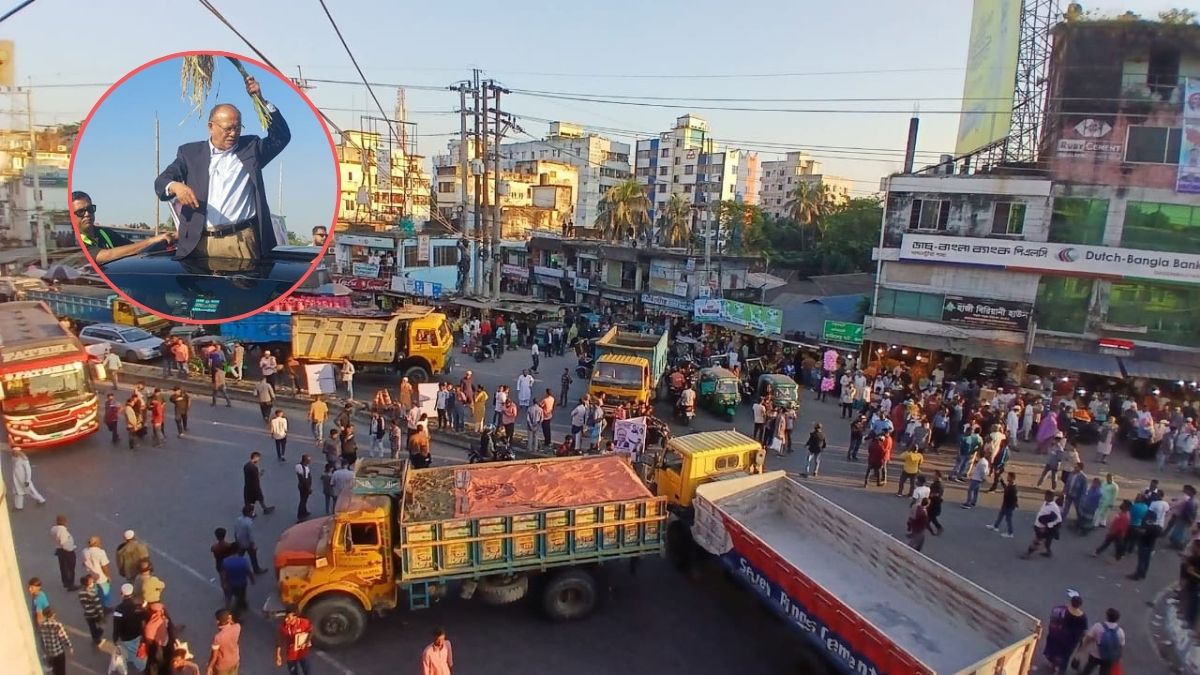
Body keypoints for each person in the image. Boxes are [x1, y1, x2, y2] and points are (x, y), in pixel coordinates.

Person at [154, 76, 290, 261]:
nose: (233, 134)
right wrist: (175, 186)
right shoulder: (190, 153)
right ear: (211, 127)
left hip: (240, 242)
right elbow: (161, 182)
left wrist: (260, 99)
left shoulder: (251, 149)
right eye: (228, 128)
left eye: (238, 128)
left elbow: (281, 137)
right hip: (199, 243)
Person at [74, 190, 173, 264]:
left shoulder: (104, 233)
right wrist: (151, 240)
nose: (87, 214)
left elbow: (134, 248)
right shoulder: (74, 242)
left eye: (90, 209)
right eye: (81, 212)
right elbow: (106, 255)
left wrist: (171, 237)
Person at [1042, 591, 1089, 675]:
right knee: (1066, 656)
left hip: (1061, 635)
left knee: (1057, 651)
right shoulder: (1082, 617)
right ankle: (1061, 670)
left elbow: (1056, 618)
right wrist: (1082, 642)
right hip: (1073, 640)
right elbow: (1084, 630)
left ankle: (1054, 665)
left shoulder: (1065, 611)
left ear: (1071, 602)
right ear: (1080, 605)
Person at [112, 583, 148, 672]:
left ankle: (141, 667)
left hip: (126, 636)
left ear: (121, 594)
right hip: (138, 633)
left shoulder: (118, 609)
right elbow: (145, 617)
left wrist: (115, 638)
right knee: (136, 649)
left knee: (132, 651)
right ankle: (136, 662)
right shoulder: (139, 607)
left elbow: (116, 625)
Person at [1077, 608, 1124, 675]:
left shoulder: (1098, 626)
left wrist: (1082, 648)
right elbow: (1120, 646)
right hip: (1108, 657)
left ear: (1107, 616)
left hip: (1095, 654)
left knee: (1088, 668)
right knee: (1104, 672)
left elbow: (1088, 638)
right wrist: (1118, 658)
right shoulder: (1120, 631)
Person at [1022, 491, 1063, 559]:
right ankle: (1048, 552)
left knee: (1038, 540)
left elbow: (1058, 519)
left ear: (1050, 497)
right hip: (1040, 525)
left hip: (1048, 527)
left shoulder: (1054, 507)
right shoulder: (1045, 503)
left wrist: (1048, 526)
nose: (1045, 497)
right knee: (1047, 541)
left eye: (1046, 496)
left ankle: (1028, 553)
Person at [276, 607, 314, 674]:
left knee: (307, 672)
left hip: (303, 654)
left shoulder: (303, 622)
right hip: (291, 656)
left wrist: (307, 640)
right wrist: (278, 655)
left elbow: (311, 630)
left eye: (288, 617)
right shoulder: (283, 627)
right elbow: (279, 641)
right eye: (286, 617)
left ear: (295, 617)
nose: (286, 619)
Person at [140, 602, 176, 675]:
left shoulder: (149, 625)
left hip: (153, 650)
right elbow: (171, 633)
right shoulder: (164, 619)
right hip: (165, 650)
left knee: (153, 666)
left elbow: (147, 639)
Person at [1128, 511, 1163, 581]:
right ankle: (1143, 574)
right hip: (1151, 546)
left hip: (1144, 545)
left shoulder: (1147, 527)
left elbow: (1140, 533)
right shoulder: (1157, 528)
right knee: (1147, 561)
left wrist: (1138, 531)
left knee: (1141, 561)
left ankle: (1137, 575)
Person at [234, 505, 269, 575]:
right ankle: (256, 569)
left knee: (239, 555)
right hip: (247, 543)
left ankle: (235, 568)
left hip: (239, 541)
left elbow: (236, 531)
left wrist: (236, 540)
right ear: (249, 513)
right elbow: (250, 536)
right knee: (253, 556)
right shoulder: (248, 523)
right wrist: (253, 545)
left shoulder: (238, 519)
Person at [220, 549, 255, 617]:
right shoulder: (243, 561)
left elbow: (223, 574)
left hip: (230, 584)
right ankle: (238, 611)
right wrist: (252, 580)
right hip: (241, 584)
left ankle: (227, 610)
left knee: (229, 597)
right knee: (240, 597)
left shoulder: (225, 561)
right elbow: (249, 571)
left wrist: (223, 583)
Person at [38, 606, 72, 675]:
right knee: (61, 670)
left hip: (50, 652)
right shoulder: (57, 625)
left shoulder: (42, 625)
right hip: (59, 651)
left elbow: (43, 639)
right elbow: (64, 636)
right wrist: (69, 645)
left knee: (55, 670)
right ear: (53, 615)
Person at [206, 609, 242, 675]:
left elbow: (214, 657)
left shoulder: (218, 637)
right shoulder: (237, 627)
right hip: (235, 660)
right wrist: (229, 619)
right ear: (229, 618)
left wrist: (209, 667)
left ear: (218, 621)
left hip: (222, 666)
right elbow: (233, 623)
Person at [82, 535, 113, 607]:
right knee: (105, 593)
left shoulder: (84, 551)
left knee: (95, 592)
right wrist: (108, 576)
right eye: (99, 542)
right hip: (101, 576)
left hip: (91, 576)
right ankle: (105, 607)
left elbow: (84, 563)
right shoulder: (100, 552)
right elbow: (104, 566)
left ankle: (96, 605)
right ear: (96, 543)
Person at [50, 514, 78, 591]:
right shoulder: (62, 531)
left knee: (63, 567)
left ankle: (65, 582)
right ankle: (70, 584)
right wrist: (70, 549)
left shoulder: (54, 529)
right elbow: (64, 543)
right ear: (64, 522)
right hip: (66, 551)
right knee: (70, 568)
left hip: (59, 550)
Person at [78, 574, 106, 647]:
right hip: (95, 613)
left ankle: (95, 639)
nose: (92, 582)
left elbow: (82, 603)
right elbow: (97, 605)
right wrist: (101, 614)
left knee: (92, 627)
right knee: (102, 625)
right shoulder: (92, 593)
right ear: (88, 583)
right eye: (91, 582)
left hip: (87, 614)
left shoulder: (80, 593)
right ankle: (97, 637)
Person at [988, 472, 1019, 538]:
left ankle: (1010, 533)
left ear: (1012, 478)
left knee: (1008, 519)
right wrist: (1001, 481)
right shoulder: (1010, 485)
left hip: (1009, 506)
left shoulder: (1013, 488)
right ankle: (996, 526)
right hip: (1005, 504)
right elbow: (1005, 488)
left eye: (1008, 477)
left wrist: (1015, 505)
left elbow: (1014, 498)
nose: (1007, 477)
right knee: (1000, 515)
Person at [295, 454, 313, 521]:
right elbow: (305, 480)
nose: (310, 461)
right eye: (309, 460)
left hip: (301, 485)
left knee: (304, 499)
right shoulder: (304, 469)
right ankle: (300, 515)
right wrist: (308, 488)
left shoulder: (298, 466)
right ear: (305, 460)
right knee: (303, 500)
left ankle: (304, 511)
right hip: (304, 486)